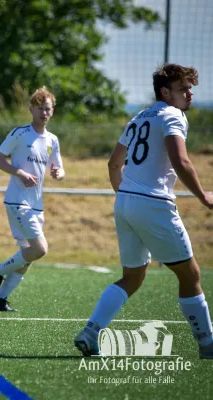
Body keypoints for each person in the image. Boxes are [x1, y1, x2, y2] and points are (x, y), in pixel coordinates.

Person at [74, 64, 213, 358]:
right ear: (165, 92)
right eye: (182, 88)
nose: (189, 93)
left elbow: (114, 163)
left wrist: (125, 194)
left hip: (125, 201)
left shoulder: (139, 117)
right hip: (152, 203)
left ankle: (91, 331)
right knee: (191, 276)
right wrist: (203, 196)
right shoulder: (173, 115)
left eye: (190, 88)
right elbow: (181, 161)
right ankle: (208, 346)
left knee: (133, 277)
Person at [0, 87, 64, 312]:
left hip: (36, 204)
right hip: (17, 200)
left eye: (47, 109)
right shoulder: (20, 133)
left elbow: (59, 167)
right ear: (31, 109)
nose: (44, 112)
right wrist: (18, 172)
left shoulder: (53, 140)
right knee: (39, 249)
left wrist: (58, 173)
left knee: (27, 256)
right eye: (40, 108)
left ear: (52, 111)